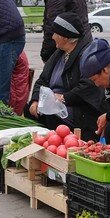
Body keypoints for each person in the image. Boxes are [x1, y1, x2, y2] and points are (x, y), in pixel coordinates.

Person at [26, 12, 104, 140]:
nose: (52, 37)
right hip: (54, 103)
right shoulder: (58, 54)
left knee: (52, 115)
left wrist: (63, 98)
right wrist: (35, 99)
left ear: (65, 37)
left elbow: (89, 84)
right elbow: (42, 80)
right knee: (29, 108)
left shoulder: (86, 55)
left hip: (78, 109)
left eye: (55, 33)